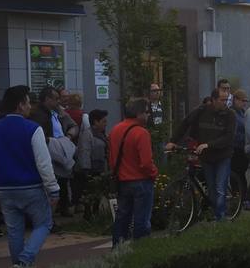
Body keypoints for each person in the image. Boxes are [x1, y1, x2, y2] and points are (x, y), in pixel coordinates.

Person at [0, 86, 59, 268]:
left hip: (5, 188)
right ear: (20, 105)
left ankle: (19, 267)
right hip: (31, 186)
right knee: (44, 223)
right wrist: (53, 188)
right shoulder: (33, 129)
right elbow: (43, 163)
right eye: (28, 102)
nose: (30, 106)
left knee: (14, 230)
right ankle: (25, 259)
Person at [168, 89, 236, 221]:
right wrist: (173, 141)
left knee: (220, 188)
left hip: (222, 155)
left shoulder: (230, 115)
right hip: (207, 157)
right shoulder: (201, 111)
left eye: (227, 99)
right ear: (213, 100)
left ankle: (220, 218)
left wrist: (208, 145)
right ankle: (213, 213)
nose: (225, 103)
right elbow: (185, 123)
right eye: (222, 100)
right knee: (211, 188)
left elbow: (229, 137)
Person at [109, 98, 158, 245]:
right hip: (141, 181)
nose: (149, 115)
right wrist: (154, 173)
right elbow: (146, 163)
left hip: (123, 181)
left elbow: (111, 157)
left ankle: (118, 248)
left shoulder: (115, 130)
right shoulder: (141, 133)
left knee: (122, 217)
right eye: (147, 112)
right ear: (139, 114)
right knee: (141, 220)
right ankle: (140, 251)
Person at [32, 86, 78, 218]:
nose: (59, 102)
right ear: (47, 99)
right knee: (51, 185)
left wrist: (67, 137)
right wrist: (51, 143)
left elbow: (72, 125)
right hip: (49, 152)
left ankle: (61, 208)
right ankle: (48, 218)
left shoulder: (57, 113)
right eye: (56, 99)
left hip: (58, 149)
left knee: (62, 181)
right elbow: (41, 137)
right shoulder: (40, 115)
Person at [75, 108, 109, 219]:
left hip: (99, 169)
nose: (106, 123)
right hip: (90, 171)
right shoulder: (87, 134)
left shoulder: (101, 134)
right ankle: (88, 215)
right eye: (103, 121)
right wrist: (86, 170)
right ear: (95, 122)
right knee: (90, 193)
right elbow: (84, 151)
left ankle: (95, 213)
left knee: (98, 194)